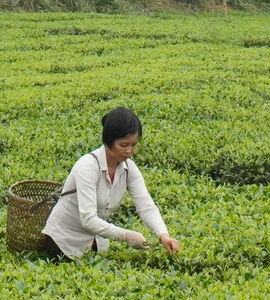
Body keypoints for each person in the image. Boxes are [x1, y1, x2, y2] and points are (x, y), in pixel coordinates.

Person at [40, 107, 181, 261]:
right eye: (124, 145)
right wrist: (126, 235)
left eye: (133, 145)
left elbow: (146, 206)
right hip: (64, 242)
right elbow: (88, 219)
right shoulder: (87, 167)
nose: (129, 151)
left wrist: (163, 235)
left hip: (96, 241)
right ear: (109, 141)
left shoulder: (129, 169)